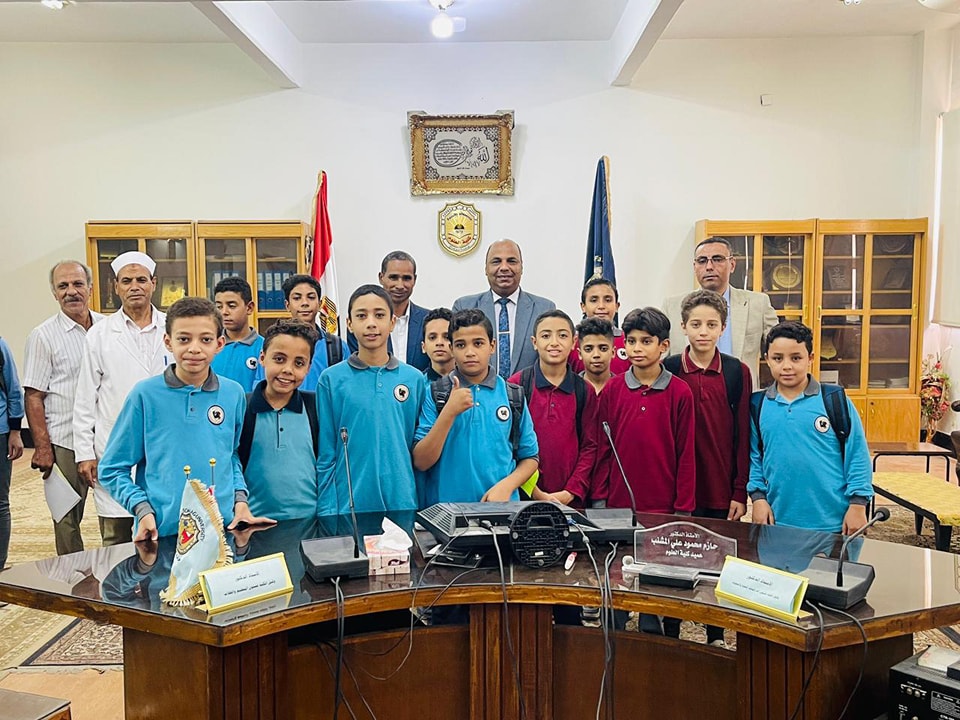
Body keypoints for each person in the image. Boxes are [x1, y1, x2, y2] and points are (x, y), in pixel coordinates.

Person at [98, 297, 273, 540]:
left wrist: (240, 500)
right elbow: (112, 468)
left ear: (219, 344)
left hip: (221, 532)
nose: (194, 348)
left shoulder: (233, 394)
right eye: (184, 339)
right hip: (163, 532)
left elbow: (230, 455)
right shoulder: (145, 395)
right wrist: (142, 509)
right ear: (168, 342)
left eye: (205, 340)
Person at [661, 290, 752, 646]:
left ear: (722, 328)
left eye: (711, 325)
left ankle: (715, 633)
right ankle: (672, 632)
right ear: (683, 327)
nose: (703, 331)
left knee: (717, 561)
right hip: (678, 489)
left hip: (719, 487)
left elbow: (742, 435)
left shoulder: (736, 372)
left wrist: (739, 491)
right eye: (696, 324)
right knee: (675, 559)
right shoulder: (669, 368)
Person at [73, 251, 172, 545]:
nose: (134, 286)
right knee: (116, 539)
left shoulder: (173, 327)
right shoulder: (99, 334)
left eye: (141, 279)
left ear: (154, 283)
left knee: (163, 536)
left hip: (164, 448)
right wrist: (85, 453)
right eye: (126, 281)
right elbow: (84, 399)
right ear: (115, 286)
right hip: (113, 448)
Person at [748, 321, 872, 534]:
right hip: (777, 521)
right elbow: (754, 458)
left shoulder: (834, 400)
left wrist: (858, 504)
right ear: (767, 359)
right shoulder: (757, 405)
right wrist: (758, 498)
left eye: (796, 358)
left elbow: (857, 454)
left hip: (833, 522)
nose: (787, 366)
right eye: (778, 358)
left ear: (811, 358)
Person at [316, 285, 425, 515]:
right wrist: (327, 511)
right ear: (349, 324)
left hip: (402, 502)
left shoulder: (414, 379)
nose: (371, 323)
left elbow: (417, 449)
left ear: (392, 322)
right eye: (361, 316)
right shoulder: (331, 380)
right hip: (350, 505)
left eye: (379, 315)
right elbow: (326, 454)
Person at [413, 308, 539, 504]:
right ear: (451, 348)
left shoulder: (512, 395)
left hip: (501, 509)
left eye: (478, 343)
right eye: (461, 345)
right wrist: (449, 412)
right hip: (447, 512)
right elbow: (421, 461)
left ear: (492, 346)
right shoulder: (435, 393)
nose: (470, 352)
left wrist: (507, 486)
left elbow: (530, 457)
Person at [22, 260, 104, 555]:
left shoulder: (108, 329)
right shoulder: (43, 336)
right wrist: (43, 448)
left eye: (78, 284)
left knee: (117, 515)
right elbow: (33, 396)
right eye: (63, 286)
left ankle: (121, 575)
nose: (71, 291)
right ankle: (73, 578)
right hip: (64, 442)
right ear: (54, 293)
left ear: (90, 288)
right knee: (66, 519)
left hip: (107, 437)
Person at [595, 307, 695, 515]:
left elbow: (686, 454)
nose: (637, 348)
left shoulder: (680, 392)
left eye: (646, 341)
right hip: (617, 506)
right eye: (631, 341)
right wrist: (599, 500)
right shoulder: (612, 389)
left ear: (664, 346)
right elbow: (603, 450)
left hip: (665, 508)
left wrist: (683, 509)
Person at [509, 310, 598, 508]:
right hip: (523, 499)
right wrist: (536, 493)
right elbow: (509, 446)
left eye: (562, 335)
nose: (554, 342)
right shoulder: (516, 386)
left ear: (574, 342)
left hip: (570, 501)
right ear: (534, 342)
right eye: (546, 335)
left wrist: (571, 492)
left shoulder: (584, 390)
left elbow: (589, 447)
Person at [662, 238, 778, 383]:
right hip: (688, 393)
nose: (709, 267)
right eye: (702, 261)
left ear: (732, 264)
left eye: (717, 259)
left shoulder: (758, 304)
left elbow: (781, 350)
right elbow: (659, 359)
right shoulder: (672, 306)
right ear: (694, 266)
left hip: (739, 391)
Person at [238, 319, 319, 521]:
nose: (288, 370)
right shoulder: (242, 408)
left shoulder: (316, 408)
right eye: (279, 359)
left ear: (308, 367)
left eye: (299, 363)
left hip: (311, 526)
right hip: (254, 526)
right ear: (262, 358)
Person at [452, 240, 555, 378]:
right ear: (486, 269)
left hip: (529, 390)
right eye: (496, 262)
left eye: (511, 261)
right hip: (477, 390)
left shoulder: (544, 308)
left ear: (522, 267)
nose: (504, 267)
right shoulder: (464, 306)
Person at [255, 274, 348, 393]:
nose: (304, 303)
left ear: (319, 304)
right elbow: (263, 388)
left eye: (311, 297)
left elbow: (346, 389)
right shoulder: (273, 345)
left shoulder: (336, 347)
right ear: (287, 305)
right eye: (297, 298)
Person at [347, 251, 430, 371]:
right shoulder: (362, 322)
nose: (400, 285)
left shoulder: (428, 320)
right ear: (381, 277)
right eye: (393, 277)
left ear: (414, 280)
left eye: (406, 278)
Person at [211, 276, 263, 392]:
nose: (224, 312)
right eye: (219, 307)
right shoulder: (210, 347)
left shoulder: (264, 348)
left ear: (249, 308)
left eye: (231, 306)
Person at [570, 278, 630, 376]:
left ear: (616, 306)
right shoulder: (572, 343)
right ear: (583, 306)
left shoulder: (628, 341)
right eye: (594, 300)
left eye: (608, 300)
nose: (601, 306)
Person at [0, 337, 24, 570]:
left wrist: (15, 431)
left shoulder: (0, 345)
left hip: (0, 433)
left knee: (0, 502)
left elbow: (14, 389)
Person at [576, 317, 616, 395]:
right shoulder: (571, 389)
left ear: (613, 352)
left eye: (603, 349)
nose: (596, 355)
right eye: (588, 349)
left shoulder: (623, 389)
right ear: (580, 354)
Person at [421, 307, 455, 382]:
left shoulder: (473, 383)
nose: (439, 343)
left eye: (446, 337)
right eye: (432, 337)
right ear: (423, 346)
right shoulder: (417, 384)